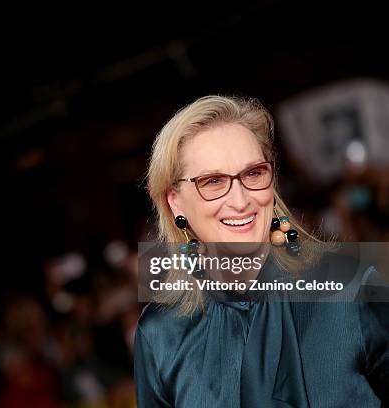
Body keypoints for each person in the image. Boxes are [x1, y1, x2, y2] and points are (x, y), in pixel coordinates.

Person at [135, 95, 389, 407]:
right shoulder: (161, 333)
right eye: (213, 182)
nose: (241, 201)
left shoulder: (351, 288)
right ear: (175, 201)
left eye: (253, 173)